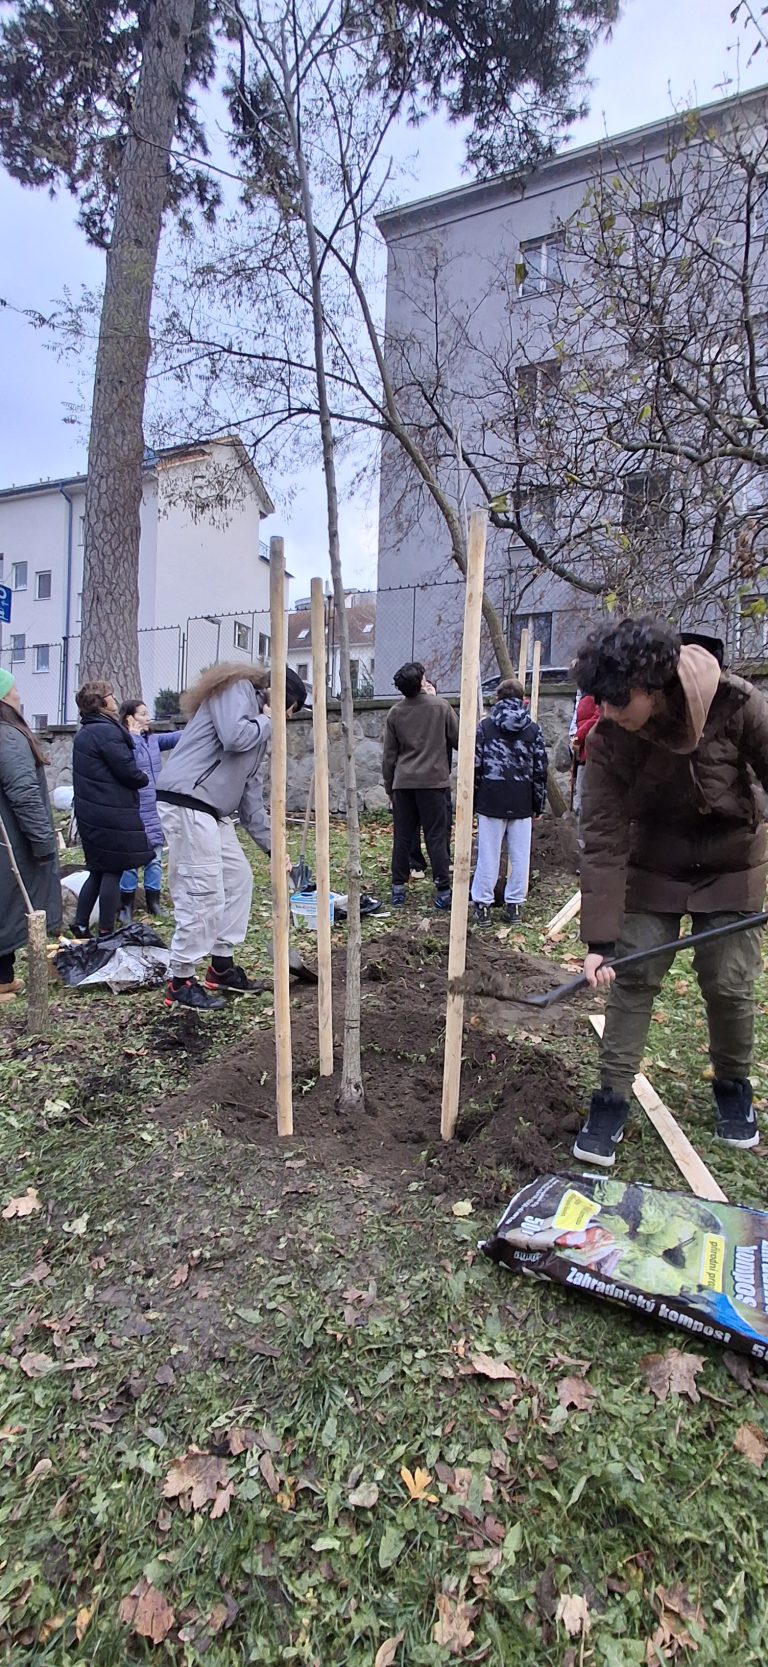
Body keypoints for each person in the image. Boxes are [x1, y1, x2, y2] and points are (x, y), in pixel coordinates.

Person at [573, 616, 768, 1167]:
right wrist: (600, 942)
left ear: (651, 686)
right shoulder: (608, 738)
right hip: (653, 864)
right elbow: (605, 838)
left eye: (616, 701)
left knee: (729, 981)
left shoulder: (736, 703)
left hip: (731, 860)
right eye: (600, 702)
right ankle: (610, 1098)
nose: (606, 713)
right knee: (631, 975)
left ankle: (732, 1086)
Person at [157, 661, 306, 1010]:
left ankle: (221, 967)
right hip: (188, 801)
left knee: (240, 879)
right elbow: (234, 737)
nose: (287, 719)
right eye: (290, 710)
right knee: (204, 892)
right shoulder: (237, 689)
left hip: (214, 812)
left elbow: (251, 798)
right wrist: (269, 719)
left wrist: (275, 848)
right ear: (277, 696)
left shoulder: (259, 727)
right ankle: (180, 981)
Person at [72, 681, 153, 937]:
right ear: (102, 702)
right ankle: (107, 930)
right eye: (110, 696)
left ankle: (81, 924)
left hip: (92, 811)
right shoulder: (106, 732)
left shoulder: (86, 732)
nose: (115, 699)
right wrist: (142, 777)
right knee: (112, 870)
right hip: (110, 811)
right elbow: (127, 770)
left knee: (96, 870)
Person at [0, 670, 61, 999]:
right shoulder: (8, 737)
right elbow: (23, 794)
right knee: (8, 905)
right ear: (4, 698)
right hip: (11, 843)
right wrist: (42, 843)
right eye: (15, 689)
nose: (20, 697)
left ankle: (5, 977)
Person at [470, 676, 548, 927]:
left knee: (488, 856)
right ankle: (514, 906)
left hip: (491, 798)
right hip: (521, 798)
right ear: (522, 699)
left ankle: (482, 906)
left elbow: (476, 766)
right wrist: (538, 804)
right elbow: (540, 770)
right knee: (520, 856)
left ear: (497, 699)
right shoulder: (533, 730)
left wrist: (473, 801)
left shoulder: (485, 728)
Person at [382, 661, 459, 909]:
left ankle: (397, 889)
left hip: (403, 783)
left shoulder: (395, 713)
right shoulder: (441, 707)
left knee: (403, 835)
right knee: (436, 835)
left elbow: (389, 757)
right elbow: (459, 739)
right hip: (434, 782)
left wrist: (389, 787)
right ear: (421, 681)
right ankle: (443, 889)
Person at [118, 699, 183, 922]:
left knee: (154, 858)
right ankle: (125, 905)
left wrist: (200, 724)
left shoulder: (153, 740)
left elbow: (177, 737)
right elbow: (128, 764)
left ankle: (153, 902)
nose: (148, 718)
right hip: (133, 807)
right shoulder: (123, 741)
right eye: (143, 714)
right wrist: (134, 738)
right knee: (131, 861)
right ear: (129, 718)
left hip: (153, 807)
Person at [571, 691, 600, 814]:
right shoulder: (584, 698)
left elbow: (598, 718)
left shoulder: (598, 697)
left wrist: (578, 737)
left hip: (593, 754)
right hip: (584, 754)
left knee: (589, 800)